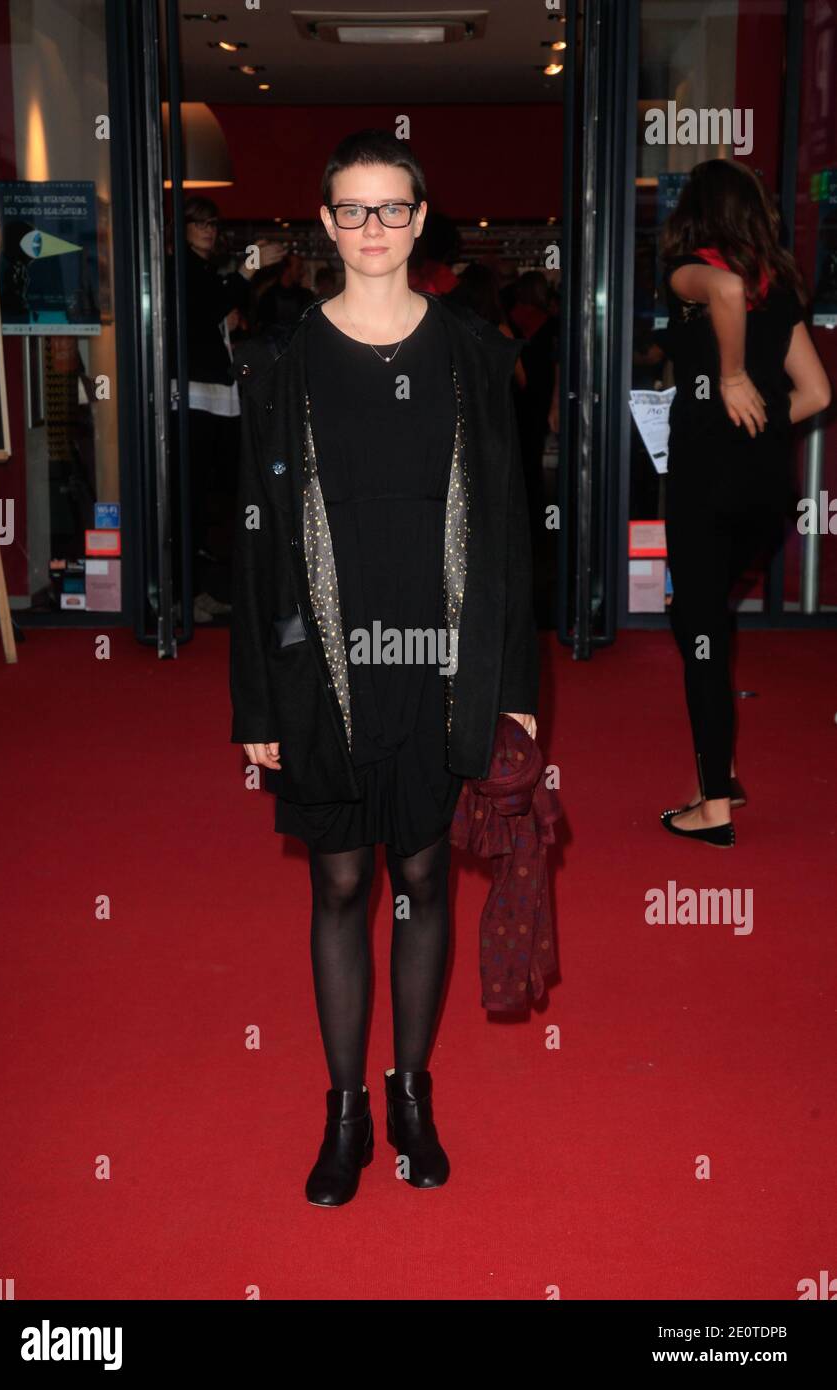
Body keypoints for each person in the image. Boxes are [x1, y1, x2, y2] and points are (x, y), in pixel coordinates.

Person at [229, 127, 540, 1206]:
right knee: (340, 880)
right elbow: (257, 540)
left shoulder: (474, 355)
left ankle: (410, 1091)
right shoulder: (279, 364)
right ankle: (345, 1112)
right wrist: (254, 703)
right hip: (322, 663)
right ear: (324, 223)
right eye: (350, 211)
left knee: (417, 877)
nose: (371, 230)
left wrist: (513, 693)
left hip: (438, 659)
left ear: (418, 219)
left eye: (390, 209)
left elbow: (506, 536)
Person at [659, 159, 831, 846]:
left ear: (695, 212)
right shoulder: (778, 286)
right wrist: (757, 421)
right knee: (698, 621)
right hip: (768, 489)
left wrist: (731, 379)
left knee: (700, 635)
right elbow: (817, 393)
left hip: (707, 483)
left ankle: (714, 804)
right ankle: (719, 763)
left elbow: (722, 288)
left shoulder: (685, 271)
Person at [169, 196, 284, 621]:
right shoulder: (180, 267)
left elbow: (204, 315)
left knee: (201, 496)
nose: (208, 229)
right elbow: (201, 311)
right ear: (180, 229)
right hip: (193, 393)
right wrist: (248, 268)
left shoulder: (197, 270)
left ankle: (191, 589)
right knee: (191, 494)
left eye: (212, 223)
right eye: (199, 223)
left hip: (208, 392)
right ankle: (183, 594)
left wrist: (225, 321)